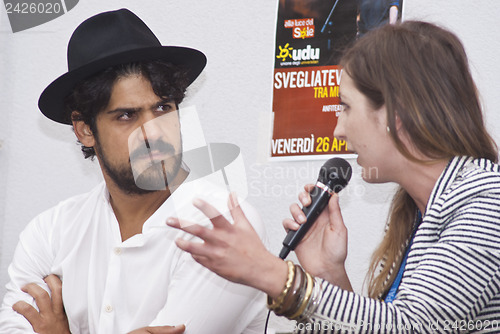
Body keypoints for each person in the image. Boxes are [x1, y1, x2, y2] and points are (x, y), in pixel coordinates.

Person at [166, 21, 500, 332]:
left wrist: (270, 272)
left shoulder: (487, 203)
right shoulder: (418, 213)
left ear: (396, 114)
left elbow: (411, 326)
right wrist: (327, 273)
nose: (338, 131)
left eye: (346, 106)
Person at [0, 8, 267, 334]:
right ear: (84, 130)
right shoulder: (51, 232)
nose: (153, 132)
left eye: (162, 108)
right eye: (126, 115)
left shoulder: (222, 226)